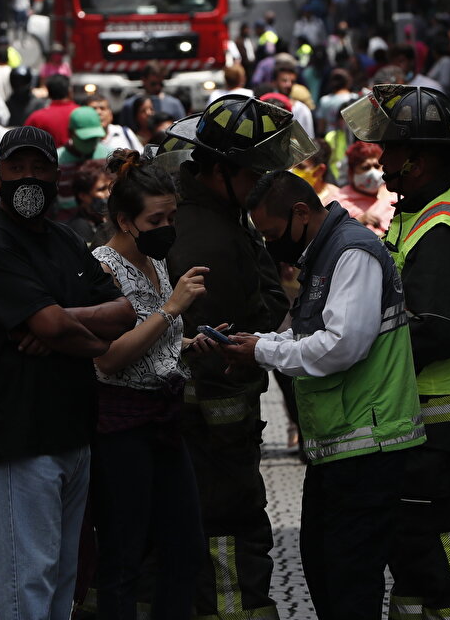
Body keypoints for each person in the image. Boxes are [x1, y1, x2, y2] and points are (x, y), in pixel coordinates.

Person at [212, 170, 424, 619]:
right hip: (339, 446)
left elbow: (343, 345)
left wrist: (264, 352)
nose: (271, 246)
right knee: (326, 572)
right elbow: (307, 333)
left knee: (349, 582)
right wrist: (256, 344)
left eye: (272, 234)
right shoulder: (322, 256)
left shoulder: (351, 253)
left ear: (301, 213)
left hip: (369, 443)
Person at [343, 84, 450, 620]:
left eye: (390, 149)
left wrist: (363, 360)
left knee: (442, 543)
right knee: (415, 547)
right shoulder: (430, 208)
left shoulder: (442, 226)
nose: (381, 159)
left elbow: (436, 330)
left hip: (440, 416)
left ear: (419, 157)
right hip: (426, 415)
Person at [0, 126, 135, 620]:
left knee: (62, 580)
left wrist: (63, 326)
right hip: (20, 442)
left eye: (39, 167)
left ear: (56, 174)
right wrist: (64, 325)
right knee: (25, 585)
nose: (29, 177)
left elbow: (124, 311)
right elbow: (60, 322)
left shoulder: (65, 240)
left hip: (74, 433)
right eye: (18, 168)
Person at [164, 95, 315, 620]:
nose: (263, 186)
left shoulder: (214, 215)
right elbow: (258, 314)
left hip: (207, 422)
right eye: (255, 173)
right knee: (231, 531)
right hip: (214, 421)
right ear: (221, 170)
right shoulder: (209, 236)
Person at [89, 150, 207, 618]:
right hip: (121, 428)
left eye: (171, 215)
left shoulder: (156, 263)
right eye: (156, 218)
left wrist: (188, 342)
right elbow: (109, 359)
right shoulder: (101, 267)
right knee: (123, 555)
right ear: (125, 220)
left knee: (185, 547)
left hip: (164, 419)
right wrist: (171, 310)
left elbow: (152, 342)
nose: (167, 226)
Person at [55, 107, 111, 222]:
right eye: (86, 139)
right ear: (71, 133)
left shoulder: (109, 156)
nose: (91, 143)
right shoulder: (56, 161)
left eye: (94, 138)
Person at [335, 141, 397, 234]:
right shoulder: (338, 203)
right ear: (351, 173)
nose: (373, 173)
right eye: (366, 167)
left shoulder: (394, 194)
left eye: (376, 166)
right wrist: (359, 221)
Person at [119, 63, 185, 128]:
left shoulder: (174, 104)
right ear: (144, 80)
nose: (157, 88)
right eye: (153, 84)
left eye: (161, 84)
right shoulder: (130, 105)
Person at [25, 75, 79, 148]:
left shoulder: (36, 118)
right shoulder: (82, 113)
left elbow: (25, 142)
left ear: (49, 94)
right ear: (70, 91)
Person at [67, 159, 112, 245]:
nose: (109, 193)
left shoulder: (105, 220)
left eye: (110, 187)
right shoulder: (80, 227)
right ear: (83, 196)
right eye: (102, 189)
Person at [291, 139, 340, 205]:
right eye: (294, 165)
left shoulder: (337, 200)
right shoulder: (289, 195)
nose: (294, 170)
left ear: (320, 170)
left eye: (301, 167)